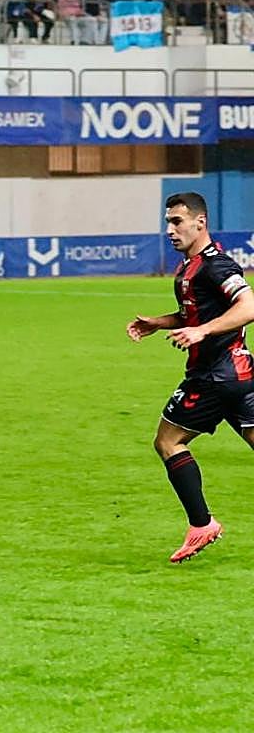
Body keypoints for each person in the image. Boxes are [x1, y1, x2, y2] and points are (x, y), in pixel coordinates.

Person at [126, 192, 254, 563]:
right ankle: (201, 524)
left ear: (200, 222)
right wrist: (159, 323)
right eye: (167, 221)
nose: (170, 229)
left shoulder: (217, 266)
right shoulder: (188, 267)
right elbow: (196, 314)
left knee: (168, 441)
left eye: (177, 221)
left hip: (214, 377)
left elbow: (248, 306)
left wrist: (204, 332)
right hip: (238, 374)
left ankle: (202, 524)